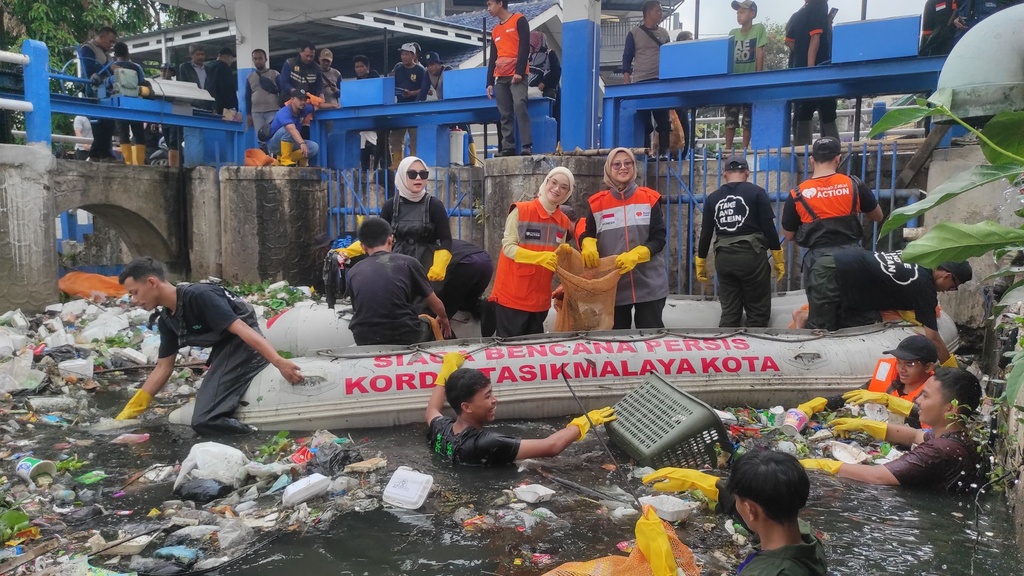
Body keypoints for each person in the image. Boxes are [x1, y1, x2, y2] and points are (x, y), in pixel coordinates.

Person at [114, 257, 303, 435]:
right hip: (223, 348)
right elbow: (164, 367)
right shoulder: (166, 320)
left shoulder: (199, 295)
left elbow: (242, 329)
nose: (134, 300)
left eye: (134, 292)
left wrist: (279, 362)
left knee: (204, 419)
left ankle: (254, 433)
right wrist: (130, 411)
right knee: (205, 413)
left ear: (152, 282)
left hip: (244, 344)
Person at [802, 367, 984, 494]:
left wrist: (824, 465)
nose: (918, 400)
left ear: (950, 408)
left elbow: (877, 477)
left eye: (925, 396)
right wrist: (866, 426)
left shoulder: (939, 450)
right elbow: (914, 435)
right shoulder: (957, 437)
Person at [645, 451, 827, 575]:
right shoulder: (808, 540)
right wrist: (718, 489)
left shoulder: (767, 572)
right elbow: (763, 519)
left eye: (738, 500)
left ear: (749, 509)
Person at [425, 352, 616, 465]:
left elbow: (432, 409)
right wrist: (584, 422)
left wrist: (446, 372)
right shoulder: (486, 442)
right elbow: (551, 447)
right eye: (487, 396)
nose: (494, 400)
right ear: (466, 407)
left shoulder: (441, 429)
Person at [807, 248, 970, 364]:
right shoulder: (923, 285)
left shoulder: (919, 259)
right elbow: (933, 338)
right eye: (954, 285)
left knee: (865, 319)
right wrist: (951, 370)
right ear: (947, 276)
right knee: (822, 335)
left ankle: (803, 318)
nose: (951, 290)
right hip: (832, 271)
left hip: (843, 267)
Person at [580, 147, 669, 329]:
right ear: (608, 169)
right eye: (617, 164)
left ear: (634, 167)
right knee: (616, 345)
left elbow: (659, 238)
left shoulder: (650, 199)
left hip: (649, 284)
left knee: (651, 341)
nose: (623, 167)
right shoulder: (597, 203)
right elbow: (588, 233)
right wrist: (586, 243)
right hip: (613, 286)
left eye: (628, 163)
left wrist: (638, 254)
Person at [781, 136, 883, 289]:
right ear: (838, 158)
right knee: (856, 307)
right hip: (853, 257)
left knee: (821, 309)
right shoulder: (854, 185)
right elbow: (877, 216)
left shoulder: (797, 194)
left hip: (818, 261)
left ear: (811, 160)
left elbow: (788, 235)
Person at [696, 155, 783, 327]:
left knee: (730, 311)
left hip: (724, 259)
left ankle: (727, 347)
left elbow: (705, 233)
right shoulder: (757, 193)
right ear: (747, 173)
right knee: (757, 311)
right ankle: (756, 350)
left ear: (724, 174)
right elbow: (769, 228)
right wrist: (778, 258)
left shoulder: (713, 198)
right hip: (751, 257)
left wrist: (701, 261)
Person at [490, 167, 575, 337]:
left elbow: (558, 258)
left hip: (540, 302)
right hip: (512, 298)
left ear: (568, 193)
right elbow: (508, 247)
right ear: (546, 182)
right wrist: (538, 257)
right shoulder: (521, 210)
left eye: (564, 187)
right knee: (509, 352)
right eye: (554, 182)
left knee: (532, 353)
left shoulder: (563, 222)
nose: (557, 189)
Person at [793, 334, 940, 430]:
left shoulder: (934, 393)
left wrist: (889, 401)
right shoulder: (892, 380)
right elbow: (853, 396)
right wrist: (816, 404)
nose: (902, 369)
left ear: (928, 367)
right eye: (899, 362)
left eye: (910, 364)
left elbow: (927, 427)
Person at [347, 217, 451, 345]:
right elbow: (435, 304)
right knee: (430, 322)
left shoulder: (353, 271)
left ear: (363, 247)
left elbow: (358, 308)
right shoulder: (409, 262)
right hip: (406, 335)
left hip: (364, 338)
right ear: (390, 239)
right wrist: (443, 317)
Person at [622, 1, 672, 158]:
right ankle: (644, 153)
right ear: (649, 12)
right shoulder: (634, 33)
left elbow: (671, 55)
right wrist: (626, 79)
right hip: (641, 82)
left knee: (664, 121)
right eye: (658, 11)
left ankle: (664, 153)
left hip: (660, 81)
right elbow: (627, 57)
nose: (661, 14)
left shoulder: (664, 34)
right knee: (644, 122)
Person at [787, 0, 838, 145]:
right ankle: (833, 152)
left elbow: (789, 42)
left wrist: (801, 57)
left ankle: (802, 155)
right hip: (819, 69)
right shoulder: (820, 5)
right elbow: (815, 37)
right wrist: (811, 67)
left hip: (798, 70)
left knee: (802, 111)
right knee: (828, 109)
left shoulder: (796, 16)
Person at [486, 0, 533, 157]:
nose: (488, 8)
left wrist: (519, 71)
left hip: (517, 75)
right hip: (501, 77)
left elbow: (524, 46)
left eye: (490, 4)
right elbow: (493, 57)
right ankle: (508, 147)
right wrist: (489, 83)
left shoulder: (519, 20)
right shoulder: (495, 31)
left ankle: (526, 145)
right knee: (504, 112)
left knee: (519, 104)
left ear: (500, 3)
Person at [96, 42, 147, 165]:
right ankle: (139, 163)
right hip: (135, 104)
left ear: (115, 54)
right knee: (138, 132)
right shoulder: (136, 67)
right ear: (128, 53)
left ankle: (128, 161)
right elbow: (142, 82)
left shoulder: (110, 67)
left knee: (123, 133)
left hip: (118, 104)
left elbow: (105, 84)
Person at [727, 1, 767, 151]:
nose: (739, 15)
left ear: (752, 13)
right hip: (734, 80)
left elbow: (759, 51)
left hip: (750, 80)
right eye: (738, 12)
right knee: (731, 116)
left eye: (743, 12)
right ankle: (728, 147)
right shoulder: (733, 33)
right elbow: (728, 55)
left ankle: (745, 147)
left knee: (748, 117)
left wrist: (758, 74)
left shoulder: (758, 29)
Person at [78, 26, 117, 162]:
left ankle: (97, 153)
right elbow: (90, 66)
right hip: (93, 87)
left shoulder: (105, 53)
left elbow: (112, 68)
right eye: (110, 41)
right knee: (101, 122)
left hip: (105, 89)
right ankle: (104, 154)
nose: (112, 45)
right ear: (101, 37)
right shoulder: (88, 48)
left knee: (108, 121)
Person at [389, 43, 426, 167]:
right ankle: (397, 161)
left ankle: (414, 161)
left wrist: (411, 93)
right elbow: (391, 86)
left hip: (415, 108)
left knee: (415, 136)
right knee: (396, 136)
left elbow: (425, 89)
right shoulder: (398, 70)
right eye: (402, 54)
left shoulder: (420, 70)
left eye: (406, 54)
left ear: (413, 55)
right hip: (400, 107)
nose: (403, 57)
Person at [267, 89, 318, 164]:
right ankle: (285, 159)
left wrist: (334, 105)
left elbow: (317, 107)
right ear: (292, 99)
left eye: (305, 100)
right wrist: (302, 143)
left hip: (291, 142)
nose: (303, 102)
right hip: (275, 145)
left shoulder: (304, 109)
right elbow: (291, 129)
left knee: (314, 147)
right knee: (289, 129)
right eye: (300, 99)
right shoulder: (284, 112)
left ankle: (282, 159)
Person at [353, 55, 385, 171]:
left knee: (377, 145)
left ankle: (380, 167)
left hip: (375, 117)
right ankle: (365, 170)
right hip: (363, 120)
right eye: (357, 67)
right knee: (363, 145)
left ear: (367, 67)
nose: (359, 69)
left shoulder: (374, 76)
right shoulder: (357, 82)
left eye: (361, 66)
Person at [245, 48, 281, 136]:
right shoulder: (250, 77)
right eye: (255, 59)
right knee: (260, 138)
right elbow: (247, 96)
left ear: (266, 59)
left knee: (273, 136)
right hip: (256, 113)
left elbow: (283, 91)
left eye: (260, 58)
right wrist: (248, 114)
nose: (258, 61)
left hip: (273, 111)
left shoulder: (275, 74)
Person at [156, 63, 182, 167]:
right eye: (162, 70)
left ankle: (174, 166)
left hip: (174, 116)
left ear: (171, 73)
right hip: (164, 118)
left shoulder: (175, 86)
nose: (163, 73)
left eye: (166, 70)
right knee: (167, 142)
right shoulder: (158, 86)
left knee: (173, 142)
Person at [205, 46, 238, 116]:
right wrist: (233, 106)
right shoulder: (224, 68)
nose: (231, 62)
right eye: (231, 58)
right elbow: (227, 89)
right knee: (228, 125)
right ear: (228, 57)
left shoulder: (208, 67)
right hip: (224, 108)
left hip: (210, 106)